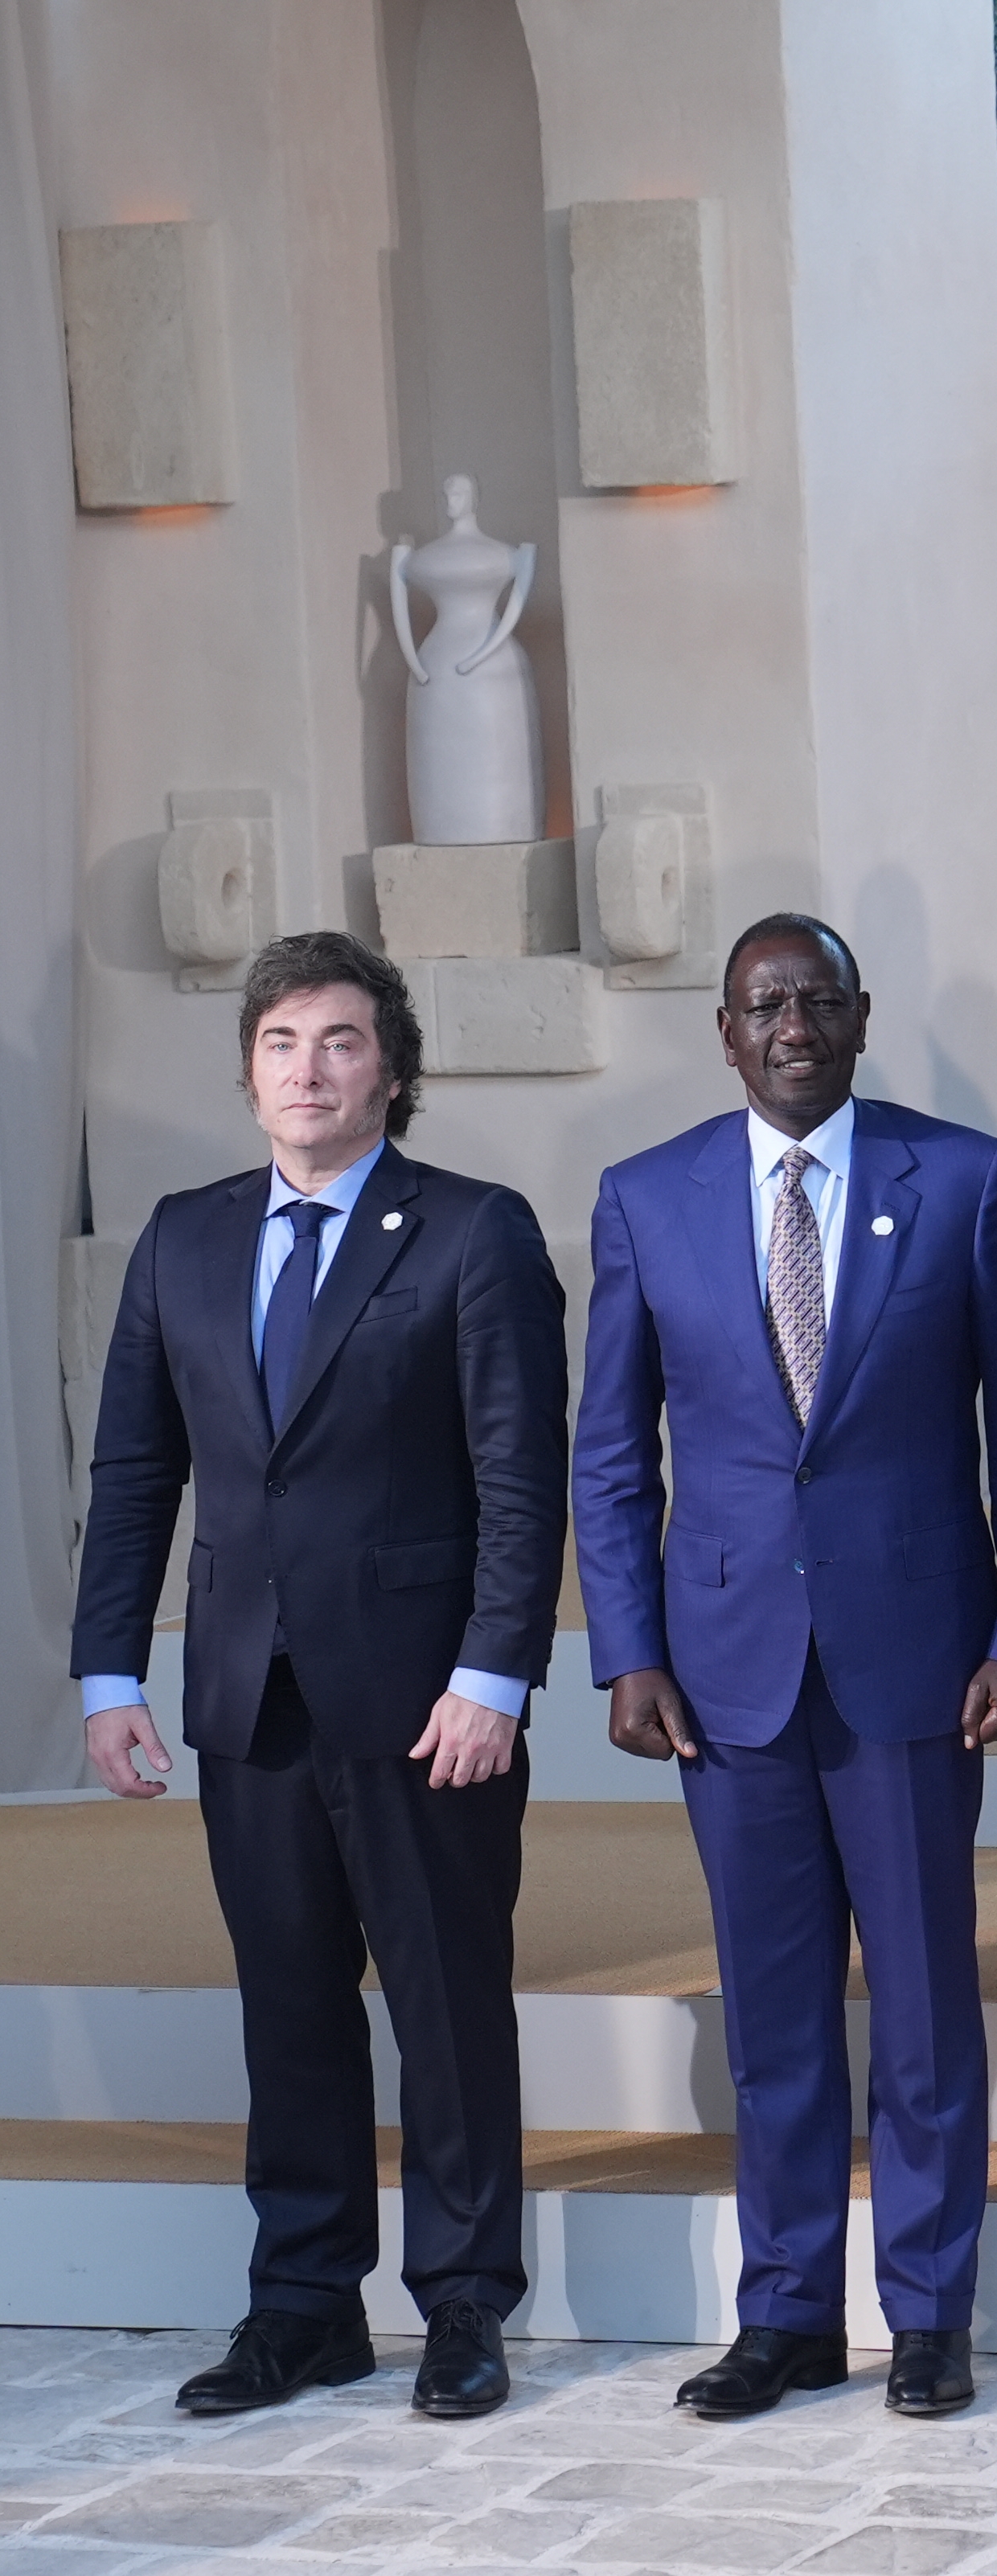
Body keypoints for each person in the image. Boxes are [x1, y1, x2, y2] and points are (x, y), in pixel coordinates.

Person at [72, 932, 567, 2422]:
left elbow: (519, 1478)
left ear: (393, 1073)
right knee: (287, 2006)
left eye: (341, 1041)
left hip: (429, 1704)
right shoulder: (183, 1238)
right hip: (248, 1697)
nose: (309, 1067)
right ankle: (304, 2306)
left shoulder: (474, 1234)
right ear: (247, 1072)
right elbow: (136, 1469)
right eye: (283, 1041)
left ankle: (467, 2305)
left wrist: (496, 1673)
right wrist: (108, 1672)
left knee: (447, 2008)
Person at [574, 915, 997, 2423]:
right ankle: (784, 2313)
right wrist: (628, 1648)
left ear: (859, 1017)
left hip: (917, 1661)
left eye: (817, 999)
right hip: (724, 1679)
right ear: (725, 1033)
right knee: (773, 2020)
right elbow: (609, 1454)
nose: (791, 1023)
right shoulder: (647, 1200)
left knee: (920, 2011)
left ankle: (926, 2313)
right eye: (763, 1004)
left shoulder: (966, 1183)